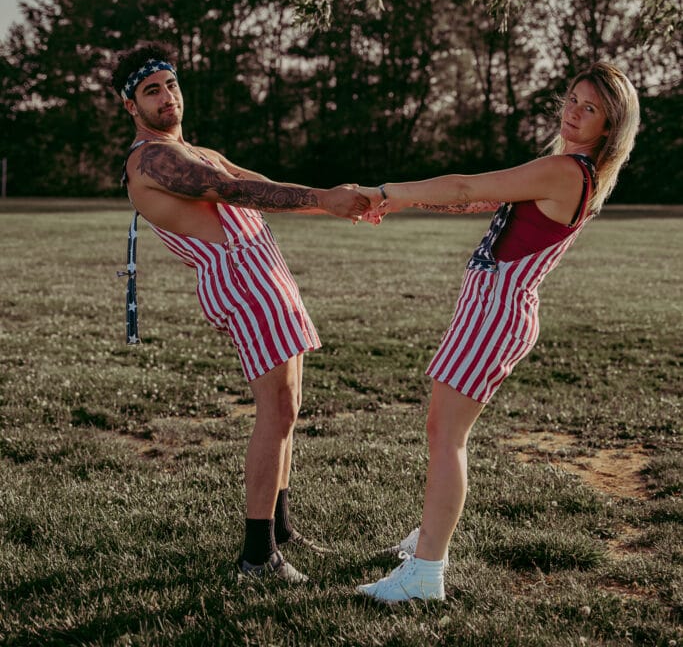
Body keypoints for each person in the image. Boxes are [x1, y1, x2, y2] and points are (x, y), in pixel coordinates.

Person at [354, 62, 640, 602]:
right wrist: (400, 202)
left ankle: (425, 573)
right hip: (490, 306)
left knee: (447, 437)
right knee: (442, 430)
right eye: (573, 100)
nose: (574, 114)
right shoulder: (569, 168)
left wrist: (385, 191)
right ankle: (429, 538)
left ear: (609, 126)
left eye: (591, 109)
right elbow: (477, 198)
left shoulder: (568, 170)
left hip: (497, 310)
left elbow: (466, 184)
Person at [111, 42, 369, 584]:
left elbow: (262, 184)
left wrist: (331, 199)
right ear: (130, 105)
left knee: (289, 407)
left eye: (170, 85)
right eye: (150, 91)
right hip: (242, 279)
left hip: (264, 270)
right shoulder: (152, 158)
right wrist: (325, 198)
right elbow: (233, 191)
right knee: (274, 410)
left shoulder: (197, 148)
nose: (166, 98)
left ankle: (280, 529)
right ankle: (257, 558)